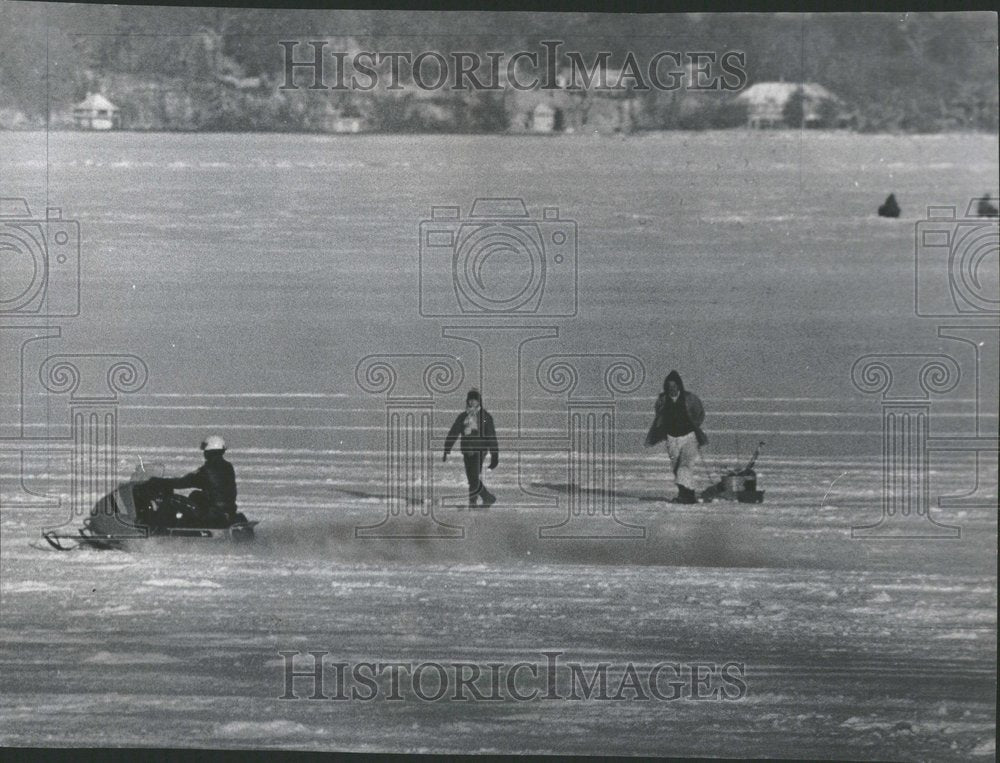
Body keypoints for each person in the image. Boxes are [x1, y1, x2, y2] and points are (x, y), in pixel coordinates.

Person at [644, 371, 708, 504]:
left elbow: (700, 413)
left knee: (684, 466)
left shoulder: (690, 398)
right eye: (669, 386)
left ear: (679, 386)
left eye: (674, 386)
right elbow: (659, 416)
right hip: (672, 438)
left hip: (689, 437)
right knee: (676, 468)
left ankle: (688, 495)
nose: (672, 389)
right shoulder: (662, 400)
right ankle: (685, 495)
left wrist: (694, 425)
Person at [149, 435, 239, 527]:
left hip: (212, 513)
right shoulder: (227, 467)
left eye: (205, 451)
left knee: (171, 500)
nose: (204, 453)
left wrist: (158, 481)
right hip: (227, 510)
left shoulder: (207, 470)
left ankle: (155, 529)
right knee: (195, 495)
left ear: (209, 451)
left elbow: (183, 482)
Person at [443, 389, 499, 509]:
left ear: (479, 402)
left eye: (475, 400)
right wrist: (447, 447)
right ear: (467, 401)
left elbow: (491, 435)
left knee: (473, 477)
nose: (472, 403)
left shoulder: (484, 417)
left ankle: (478, 501)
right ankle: (482, 500)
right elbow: (454, 432)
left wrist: (495, 455)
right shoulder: (463, 416)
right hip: (467, 450)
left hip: (480, 450)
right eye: (470, 400)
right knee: (472, 479)